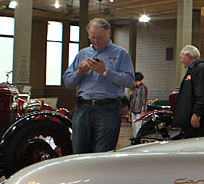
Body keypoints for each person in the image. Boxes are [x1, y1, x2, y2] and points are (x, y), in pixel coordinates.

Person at [63, 18, 135, 154]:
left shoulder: (120, 54)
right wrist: (79, 72)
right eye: (92, 38)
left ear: (109, 33)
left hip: (108, 109)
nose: (96, 41)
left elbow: (129, 81)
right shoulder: (82, 54)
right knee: (79, 151)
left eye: (100, 38)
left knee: (102, 153)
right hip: (83, 109)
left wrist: (106, 72)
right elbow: (68, 82)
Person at [172, 45, 204, 138]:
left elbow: (203, 95)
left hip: (198, 122)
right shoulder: (193, 70)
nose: (181, 61)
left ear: (188, 56)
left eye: (182, 57)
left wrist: (197, 114)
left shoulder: (201, 69)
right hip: (189, 121)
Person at [128, 72, 148, 137]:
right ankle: (135, 138)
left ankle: (138, 139)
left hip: (139, 110)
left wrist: (143, 109)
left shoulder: (143, 88)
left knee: (137, 126)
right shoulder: (135, 88)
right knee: (133, 126)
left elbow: (144, 99)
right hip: (133, 109)